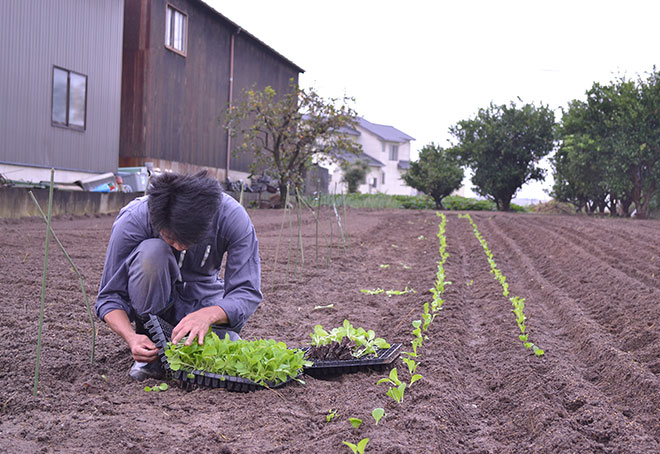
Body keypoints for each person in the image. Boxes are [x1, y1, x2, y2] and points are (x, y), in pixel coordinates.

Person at [95, 171, 262, 381]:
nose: (181, 247)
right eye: (171, 239)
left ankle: (197, 340)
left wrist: (209, 315)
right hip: (151, 308)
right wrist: (132, 337)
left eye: (188, 240)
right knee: (153, 253)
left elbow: (246, 291)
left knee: (230, 345)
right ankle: (151, 352)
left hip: (203, 300)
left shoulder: (231, 217)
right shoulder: (134, 219)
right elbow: (109, 297)